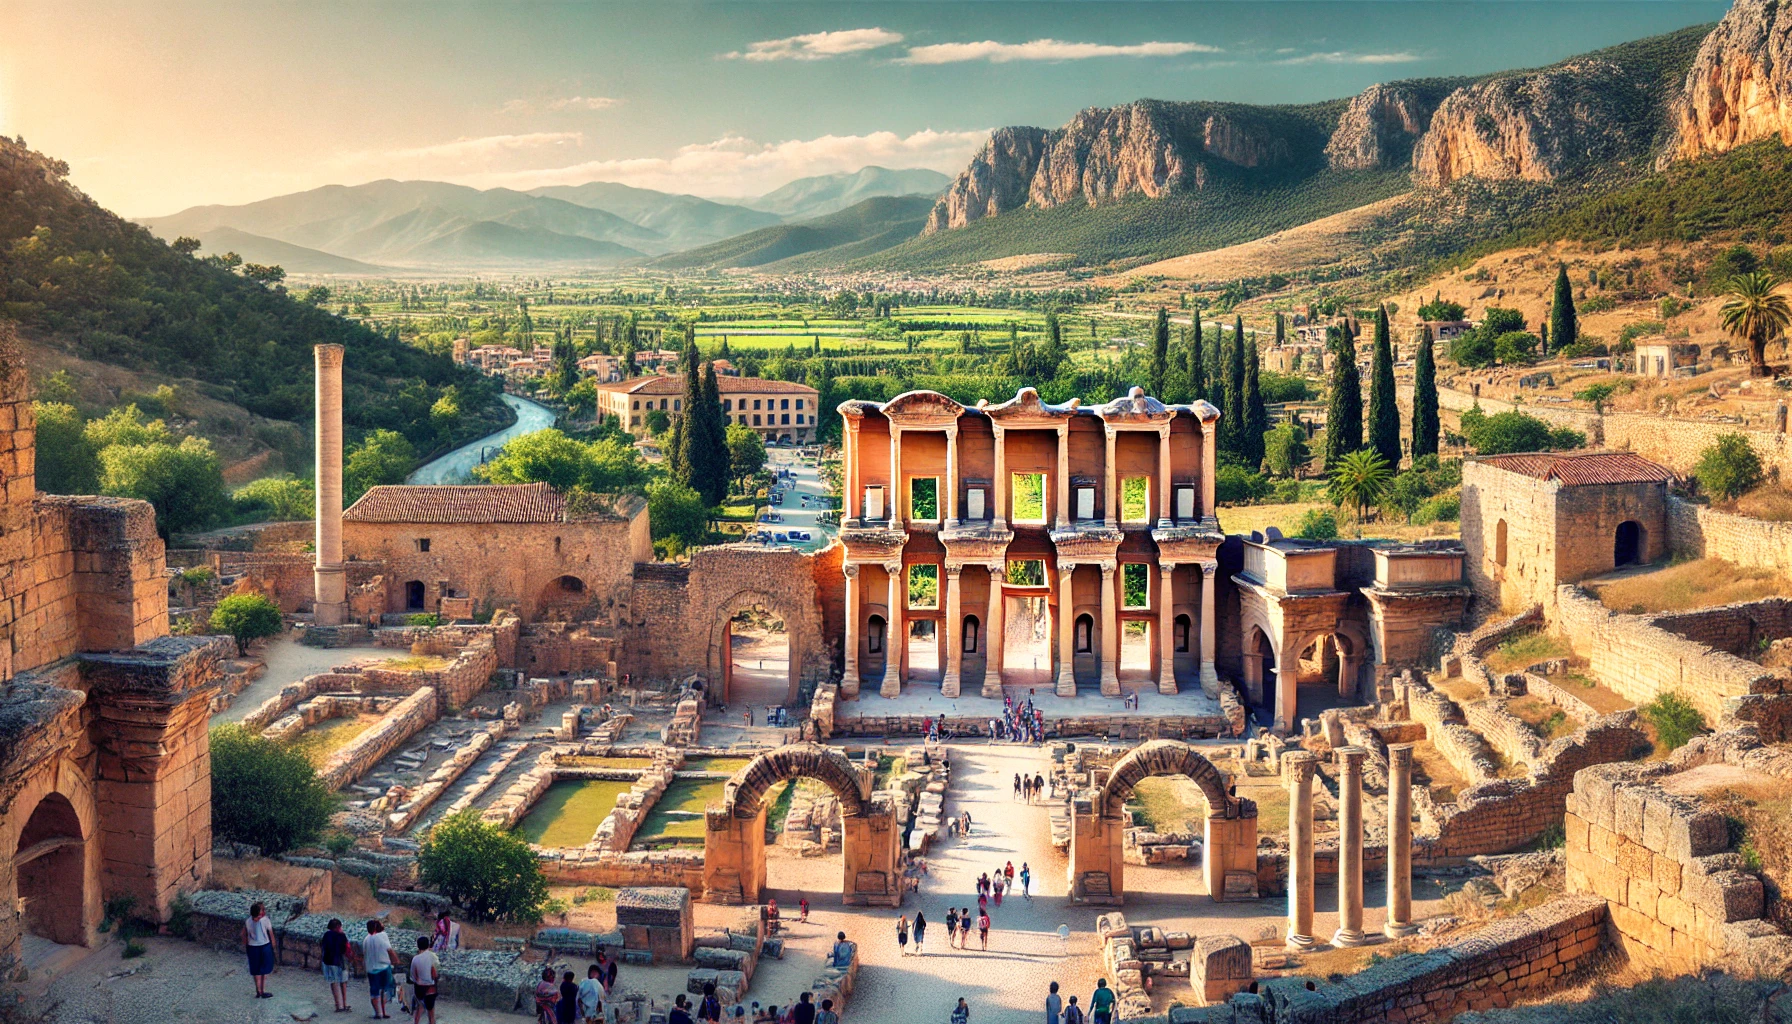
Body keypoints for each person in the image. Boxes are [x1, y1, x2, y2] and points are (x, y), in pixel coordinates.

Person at [364, 920, 396, 1020]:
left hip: (371, 969)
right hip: (384, 967)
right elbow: (389, 950)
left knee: (374, 992)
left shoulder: (366, 940)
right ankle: (383, 1010)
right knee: (385, 990)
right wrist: (396, 960)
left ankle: (378, 1013)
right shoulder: (382, 936)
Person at [243, 901, 275, 999]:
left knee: (256, 970)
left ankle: (258, 991)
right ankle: (262, 990)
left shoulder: (248, 921)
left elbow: (243, 934)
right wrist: (273, 946)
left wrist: (247, 945)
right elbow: (271, 934)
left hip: (252, 947)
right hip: (264, 946)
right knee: (264, 970)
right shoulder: (265, 920)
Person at [320, 917, 350, 1012]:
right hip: (340, 962)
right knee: (343, 982)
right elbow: (345, 949)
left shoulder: (326, 935)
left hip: (329, 962)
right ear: (338, 927)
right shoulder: (342, 936)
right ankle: (345, 1003)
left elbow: (323, 947)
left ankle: (338, 1005)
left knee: (334, 983)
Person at [410, 936, 441, 1024]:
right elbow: (435, 972)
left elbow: (413, 975)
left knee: (419, 1009)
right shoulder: (432, 956)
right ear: (428, 945)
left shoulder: (415, 959)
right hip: (431, 988)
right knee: (431, 1012)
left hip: (419, 988)